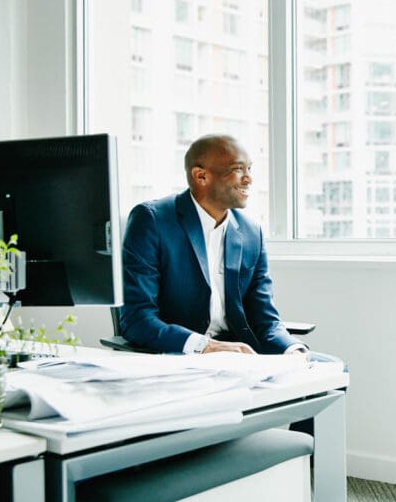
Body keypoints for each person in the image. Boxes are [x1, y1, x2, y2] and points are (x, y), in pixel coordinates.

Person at [119, 134, 306, 356]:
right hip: (181, 353)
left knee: (328, 369)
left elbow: (265, 318)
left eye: (249, 169)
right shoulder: (153, 221)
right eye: (238, 169)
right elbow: (137, 319)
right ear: (201, 176)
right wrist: (204, 346)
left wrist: (292, 351)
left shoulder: (251, 232)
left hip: (241, 352)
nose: (248, 179)